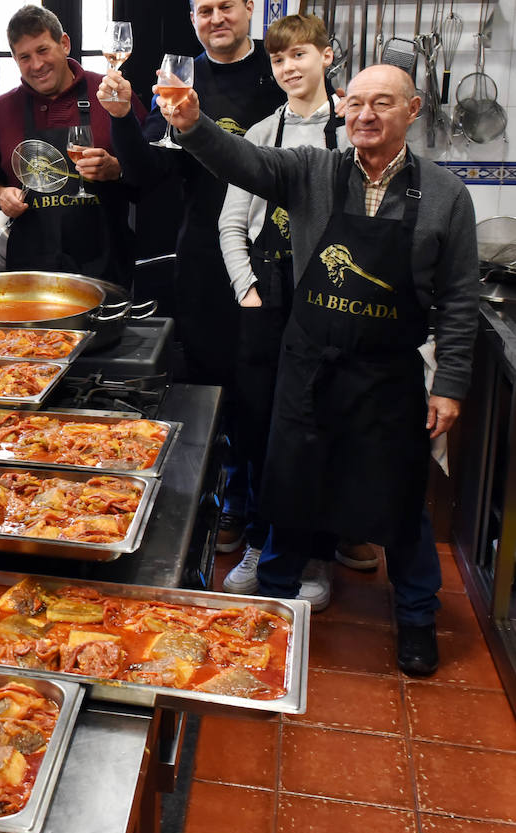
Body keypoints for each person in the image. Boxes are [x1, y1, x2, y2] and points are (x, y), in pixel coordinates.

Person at [149, 63, 479, 675]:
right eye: (354, 103)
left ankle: (415, 617)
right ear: (340, 109)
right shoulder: (313, 171)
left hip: (387, 376)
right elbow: (242, 162)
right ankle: (270, 607)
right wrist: (193, 125)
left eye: (383, 103)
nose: (366, 115)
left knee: (403, 502)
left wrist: (451, 384)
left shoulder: (445, 195)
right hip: (309, 368)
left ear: (414, 109)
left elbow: (460, 299)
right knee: (290, 488)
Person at [100, 0, 285, 559]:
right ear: (193, 21)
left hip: (274, 254)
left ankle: (276, 513)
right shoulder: (182, 77)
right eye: (205, 11)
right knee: (210, 382)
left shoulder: (275, 72)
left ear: (249, 9)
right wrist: (127, 115)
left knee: (272, 387)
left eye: (226, 7)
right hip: (203, 253)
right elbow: (150, 171)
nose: (217, 19)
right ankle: (228, 499)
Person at [215, 13, 348, 603]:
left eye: (299, 55)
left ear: (327, 57)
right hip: (267, 299)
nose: (289, 67)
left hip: (333, 298)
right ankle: (260, 542)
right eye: (278, 59)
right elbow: (230, 224)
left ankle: (315, 557)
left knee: (320, 427)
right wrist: (247, 288)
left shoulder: (352, 127)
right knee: (260, 426)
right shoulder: (261, 134)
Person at [0, 5, 146, 287]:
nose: (36, 65)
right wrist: (0, 195)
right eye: (25, 57)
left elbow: (150, 173)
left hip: (105, 266)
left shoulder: (110, 95)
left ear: (64, 44)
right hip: (31, 269)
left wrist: (117, 170)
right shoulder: (2, 110)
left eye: (43, 50)